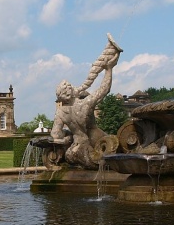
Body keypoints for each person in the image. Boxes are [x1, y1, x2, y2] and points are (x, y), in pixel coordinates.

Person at [50, 34, 123, 168]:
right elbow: (103, 90)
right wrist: (109, 69)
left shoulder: (60, 112)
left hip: (73, 151)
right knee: (119, 152)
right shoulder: (84, 104)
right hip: (95, 144)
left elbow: (55, 135)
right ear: (71, 92)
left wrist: (67, 137)